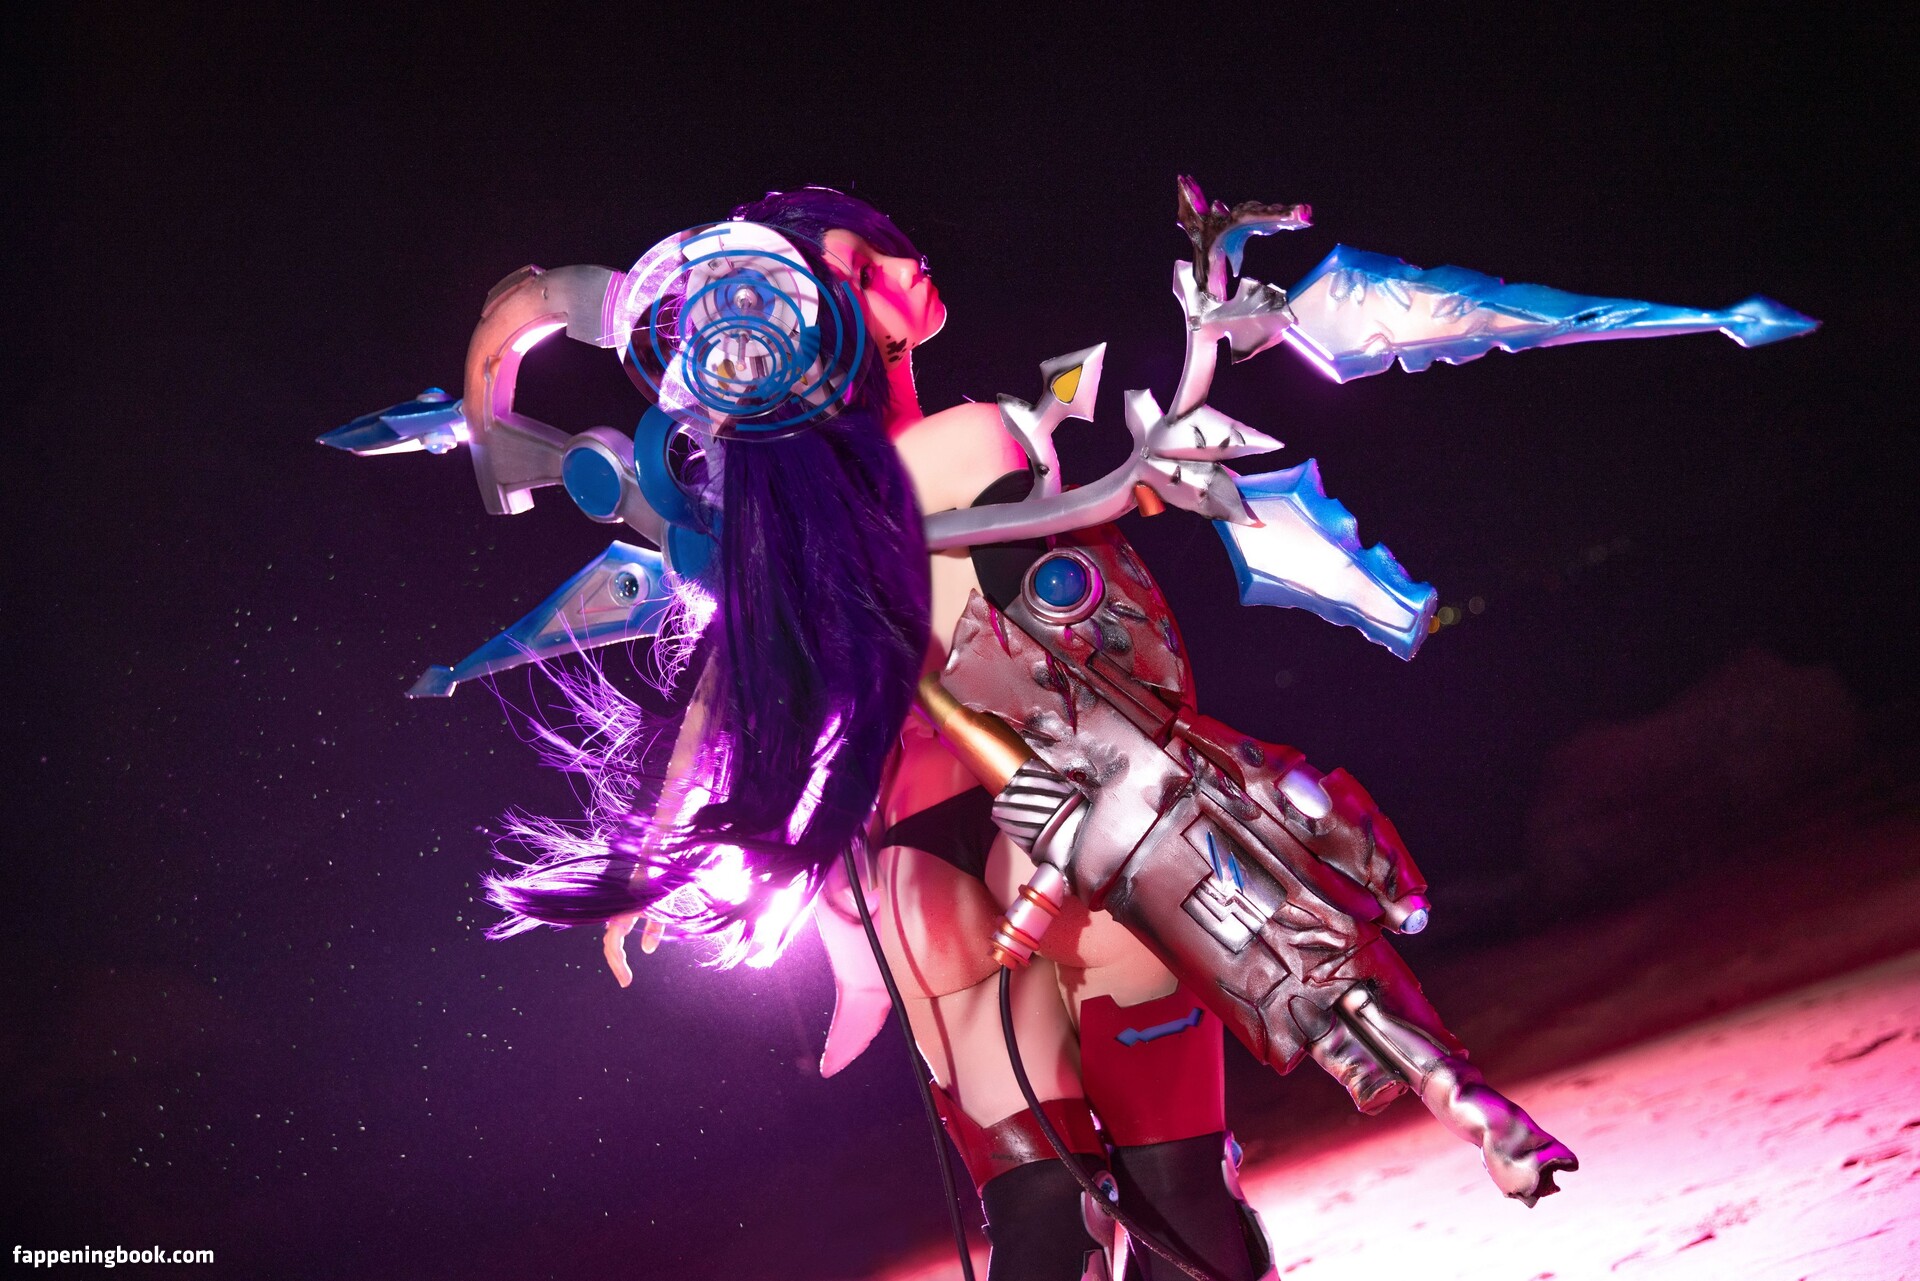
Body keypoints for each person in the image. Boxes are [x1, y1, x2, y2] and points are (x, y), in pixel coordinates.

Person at [487, 187, 1265, 1280]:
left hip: (910, 882)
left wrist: (656, 859)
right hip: (1065, 829)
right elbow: (1103, 650)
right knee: (1178, 1189)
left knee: (1043, 1210)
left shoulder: (778, 527)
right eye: (864, 265)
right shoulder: (974, 443)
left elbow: (725, 695)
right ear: (825, 318)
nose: (906, 264)